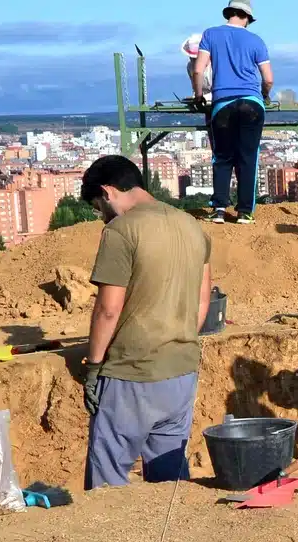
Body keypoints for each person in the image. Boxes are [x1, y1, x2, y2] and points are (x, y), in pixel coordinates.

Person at [80, 155, 212, 489]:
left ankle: (107, 541)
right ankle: (171, 540)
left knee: (107, 480)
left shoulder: (121, 231)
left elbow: (108, 310)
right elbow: (202, 301)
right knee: (169, 478)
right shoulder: (192, 226)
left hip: (131, 372)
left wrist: (94, 365)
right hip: (181, 371)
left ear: (108, 191)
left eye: (98, 206)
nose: (101, 215)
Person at [195, 2, 272, 223]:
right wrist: (263, 94)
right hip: (252, 103)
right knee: (248, 158)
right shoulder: (256, 40)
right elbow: (268, 79)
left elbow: (199, 69)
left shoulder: (211, 34)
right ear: (247, 18)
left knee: (222, 157)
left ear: (228, 14)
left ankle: (219, 209)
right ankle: (245, 212)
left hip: (223, 104)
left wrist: (199, 94)